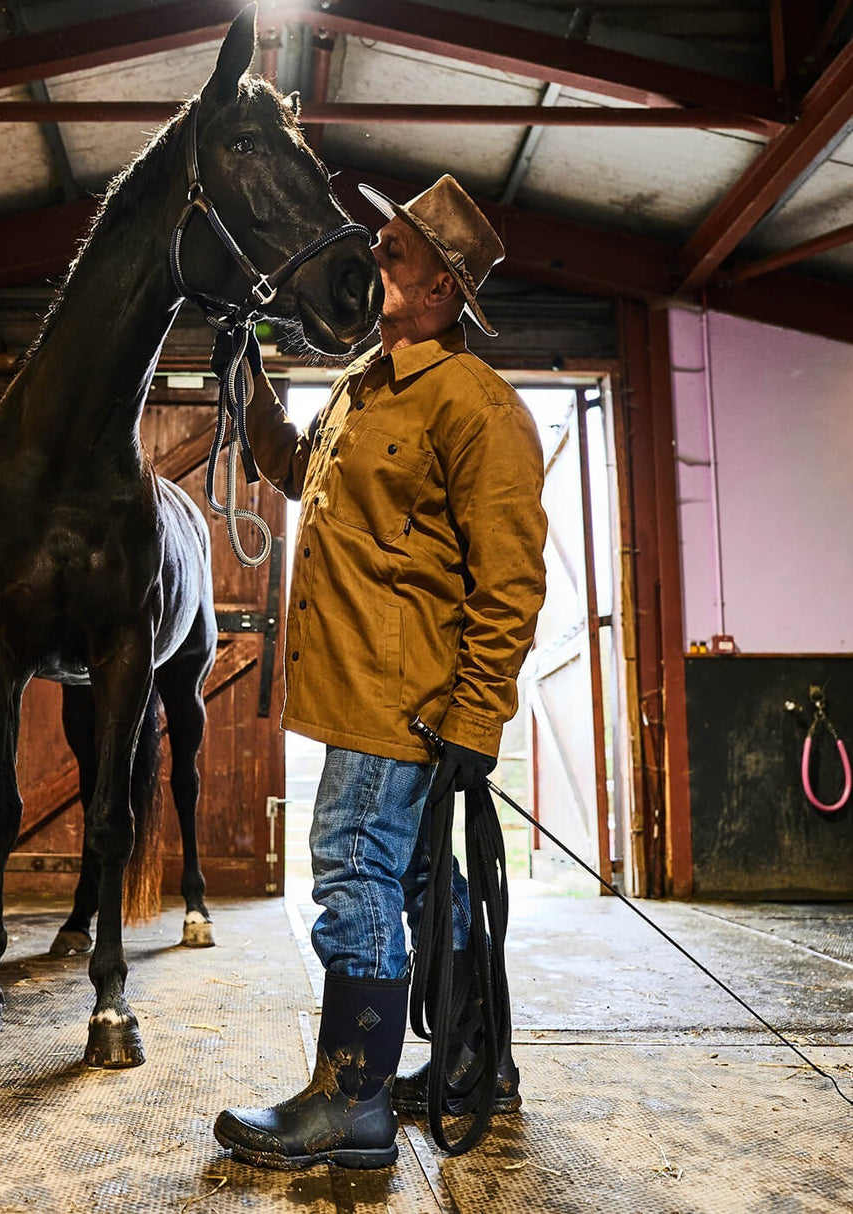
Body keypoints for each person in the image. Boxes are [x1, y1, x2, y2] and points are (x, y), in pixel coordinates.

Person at [210, 174, 549, 1171]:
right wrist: (247, 381)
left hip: (403, 701)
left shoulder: (476, 406)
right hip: (356, 682)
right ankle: (472, 1064)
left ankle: (352, 1098)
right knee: (415, 876)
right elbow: (292, 467)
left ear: (442, 289)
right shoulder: (363, 382)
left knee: (352, 865)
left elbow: (510, 581)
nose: (373, 256)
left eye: (393, 250)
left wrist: (476, 720)